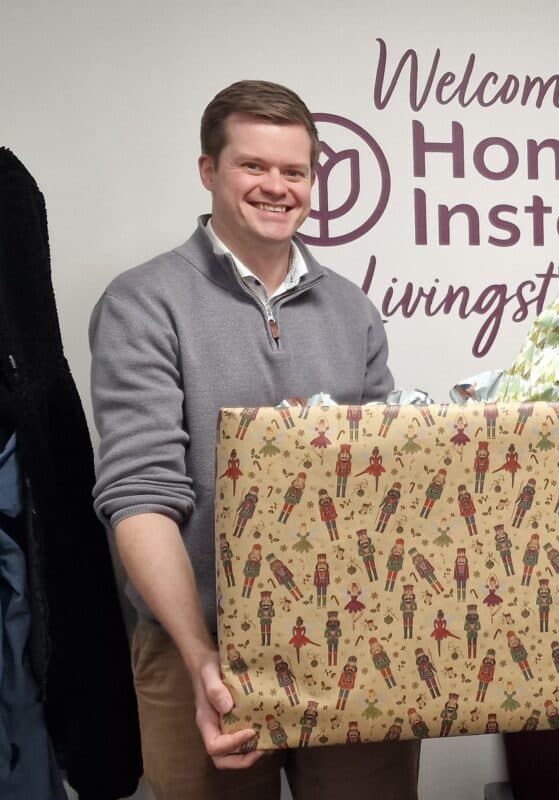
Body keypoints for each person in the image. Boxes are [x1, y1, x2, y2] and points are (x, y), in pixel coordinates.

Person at [89, 80, 419, 799]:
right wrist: (203, 656)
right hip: (196, 646)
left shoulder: (352, 309)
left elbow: (380, 487)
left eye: (293, 171)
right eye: (252, 166)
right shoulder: (143, 303)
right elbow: (140, 495)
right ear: (209, 171)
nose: (276, 187)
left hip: (352, 637)